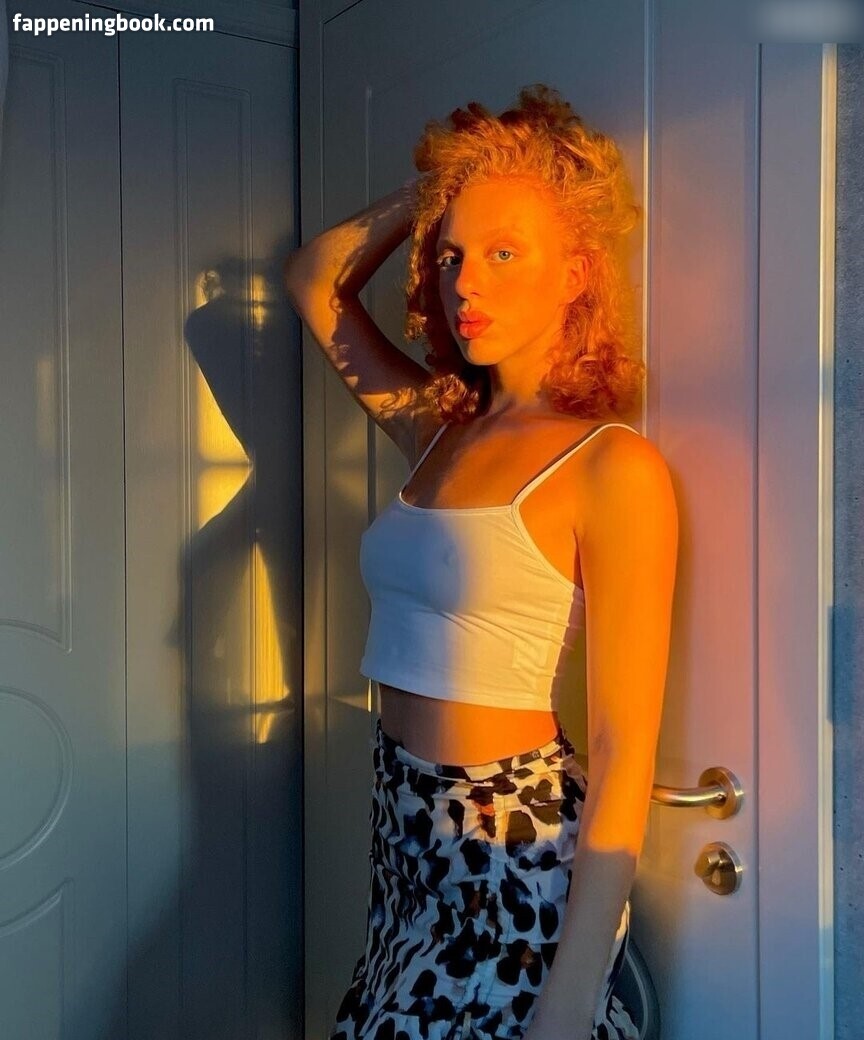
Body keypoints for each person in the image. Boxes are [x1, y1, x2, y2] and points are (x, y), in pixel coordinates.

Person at [284, 84, 678, 1040]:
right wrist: (443, 187)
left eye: (505, 253)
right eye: (453, 254)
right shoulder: (439, 428)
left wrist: (571, 997)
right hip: (403, 827)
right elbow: (313, 278)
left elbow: (624, 749)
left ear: (575, 274)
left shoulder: (611, 466)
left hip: (510, 850)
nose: (466, 284)